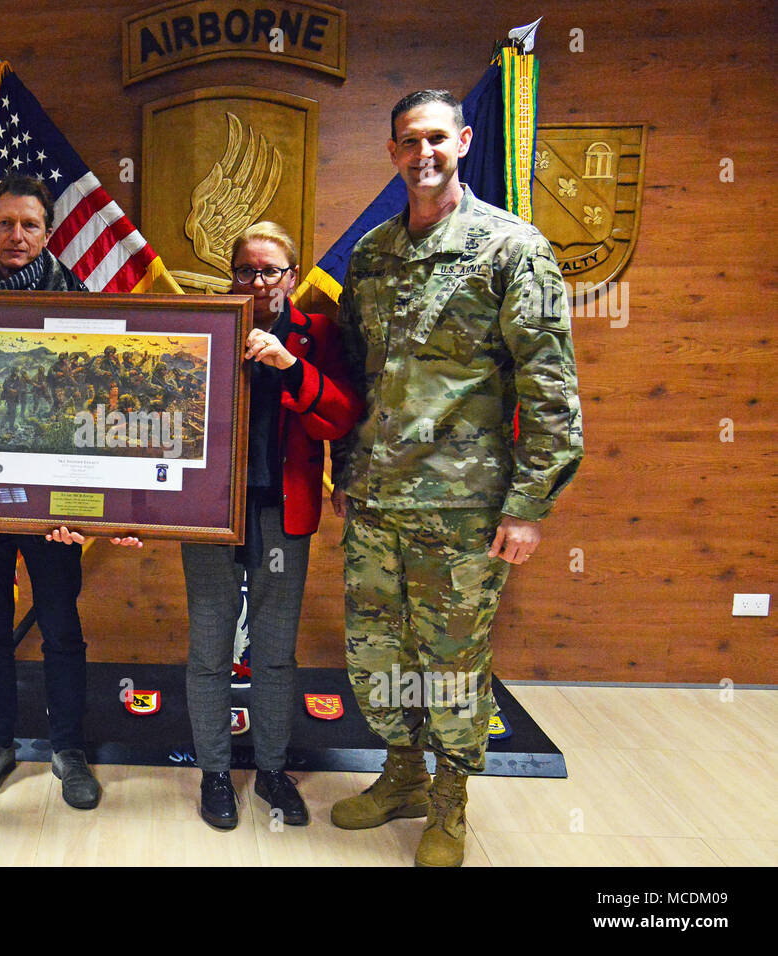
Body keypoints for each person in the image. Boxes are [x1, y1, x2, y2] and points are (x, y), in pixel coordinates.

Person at [328, 91, 583, 866]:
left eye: (436, 137)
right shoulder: (371, 253)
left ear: (464, 141)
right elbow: (351, 378)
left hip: (463, 507)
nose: (423, 153)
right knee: (378, 654)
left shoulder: (513, 248)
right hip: (376, 501)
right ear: (393, 152)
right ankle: (401, 773)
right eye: (409, 141)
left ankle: (450, 801)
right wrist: (346, 470)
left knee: (451, 662)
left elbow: (550, 387)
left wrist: (530, 505)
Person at [0, 174, 141, 811]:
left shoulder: (81, 300)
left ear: (48, 234)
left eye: (29, 225)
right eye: (5, 224)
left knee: (61, 628)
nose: (16, 236)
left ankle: (67, 748)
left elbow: (97, 407)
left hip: (54, 505)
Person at [182, 222, 362, 830]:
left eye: (270, 271)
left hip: (282, 513)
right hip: (211, 513)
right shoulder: (205, 328)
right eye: (245, 271)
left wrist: (290, 367)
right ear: (231, 275)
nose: (257, 283)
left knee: (276, 653)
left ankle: (273, 770)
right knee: (209, 649)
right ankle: (213, 774)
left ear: (291, 275)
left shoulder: (317, 335)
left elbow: (339, 418)